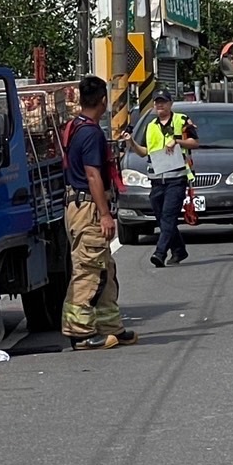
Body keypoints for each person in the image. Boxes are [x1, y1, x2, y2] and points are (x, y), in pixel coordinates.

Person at [59, 76, 138, 351]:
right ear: (103, 100)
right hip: (88, 208)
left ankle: (110, 326)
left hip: (78, 205)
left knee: (105, 268)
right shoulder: (91, 133)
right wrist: (105, 214)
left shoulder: (74, 126)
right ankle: (79, 333)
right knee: (89, 270)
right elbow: (93, 175)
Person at [127, 91, 199, 267]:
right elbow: (145, 152)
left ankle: (159, 252)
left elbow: (195, 142)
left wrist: (177, 142)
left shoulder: (181, 121)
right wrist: (131, 143)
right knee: (162, 218)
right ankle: (179, 250)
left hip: (177, 177)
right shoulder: (150, 126)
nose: (160, 106)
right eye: (157, 103)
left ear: (170, 104)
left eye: (163, 102)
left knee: (168, 215)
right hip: (157, 179)